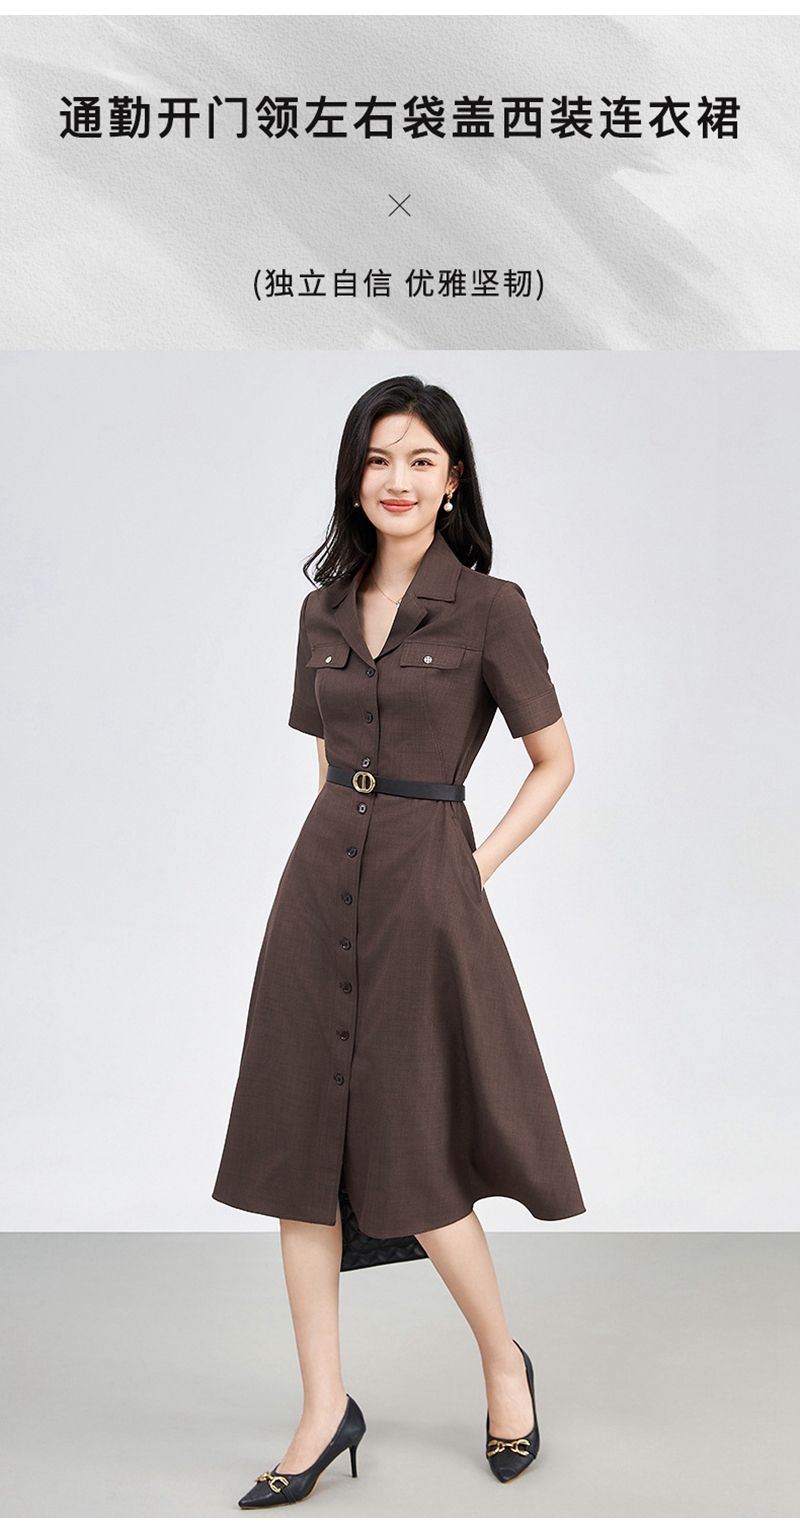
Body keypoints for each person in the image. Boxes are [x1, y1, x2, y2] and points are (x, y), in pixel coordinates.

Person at [212, 375, 585, 1508]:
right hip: (318, 888)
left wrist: (467, 868)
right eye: (378, 458)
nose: (398, 478)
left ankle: (502, 1363)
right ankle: (324, 1407)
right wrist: (338, 865)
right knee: (298, 1157)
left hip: (425, 887)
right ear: (355, 476)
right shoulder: (321, 612)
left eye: (421, 459)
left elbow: (554, 761)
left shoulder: (490, 607)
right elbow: (329, 763)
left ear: (452, 479)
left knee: (416, 1154)